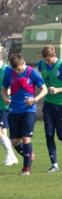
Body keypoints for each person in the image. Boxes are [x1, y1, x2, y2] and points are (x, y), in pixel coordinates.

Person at [2, 54, 48, 176]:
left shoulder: (32, 72)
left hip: (28, 110)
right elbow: (3, 89)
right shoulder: (9, 73)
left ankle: (26, 168)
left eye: (19, 69)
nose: (17, 72)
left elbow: (44, 89)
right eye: (15, 70)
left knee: (26, 138)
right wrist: (5, 97)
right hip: (13, 111)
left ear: (24, 63)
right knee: (15, 141)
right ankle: (29, 155)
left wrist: (35, 99)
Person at [0, 48, 19, 166]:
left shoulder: (7, 70)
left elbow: (15, 82)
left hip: (5, 105)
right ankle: (14, 158)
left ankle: (9, 153)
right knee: (3, 133)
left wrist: (10, 91)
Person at [38, 45, 62, 173]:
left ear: (54, 56)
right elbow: (41, 81)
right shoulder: (41, 64)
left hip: (60, 104)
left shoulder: (61, 65)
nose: (47, 62)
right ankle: (54, 164)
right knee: (48, 134)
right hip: (48, 103)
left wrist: (58, 89)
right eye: (45, 60)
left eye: (49, 60)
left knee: (61, 135)